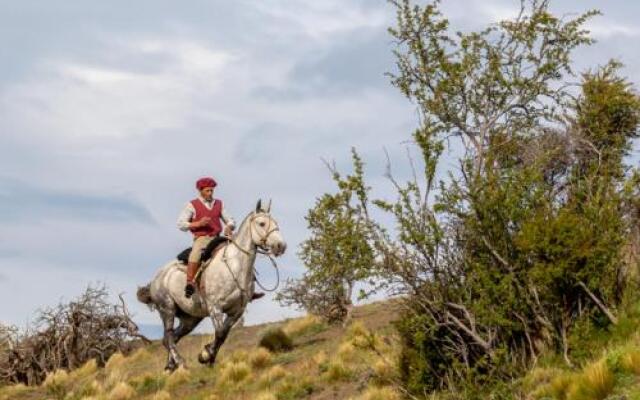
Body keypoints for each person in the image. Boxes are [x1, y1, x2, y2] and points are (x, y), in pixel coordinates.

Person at [177, 177, 235, 298]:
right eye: (207, 191)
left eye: (212, 190)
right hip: (201, 238)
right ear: (201, 191)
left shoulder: (219, 203)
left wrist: (229, 226)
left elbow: (230, 219)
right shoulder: (192, 205)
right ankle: (190, 283)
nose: (210, 193)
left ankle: (247, 285)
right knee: (195, 254)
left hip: (218, 238)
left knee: (236, 251)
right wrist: (197, 224)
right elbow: (181, 224)